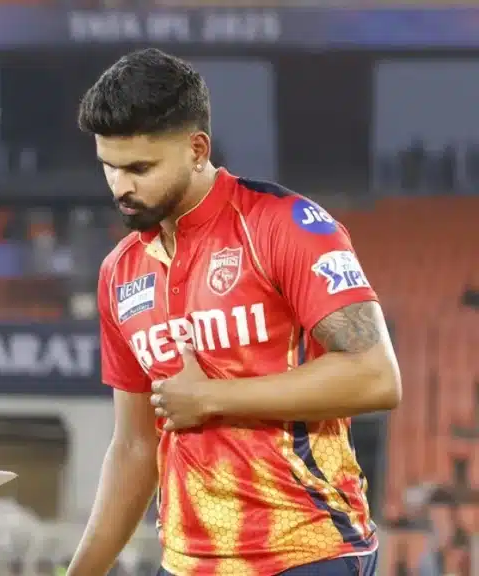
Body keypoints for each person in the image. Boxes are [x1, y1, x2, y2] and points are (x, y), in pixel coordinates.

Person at [66, 48, 401, 576]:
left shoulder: (285, 226)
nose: (121, 187)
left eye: (140, 168)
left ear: (197, 149)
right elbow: (134, 446)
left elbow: (376, 376)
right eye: (109, 167)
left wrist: (211, 398)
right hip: (186, 562)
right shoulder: (119, 272)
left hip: (307, 550)